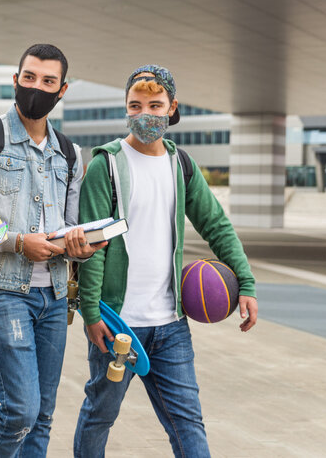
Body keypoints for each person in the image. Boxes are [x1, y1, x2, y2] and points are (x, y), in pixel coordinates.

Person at [73, 64, 258, 458]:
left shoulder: (181, 165)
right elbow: (93, 247)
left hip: (171, 327)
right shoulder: (106, 165)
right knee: (99, 416)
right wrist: (91, 313)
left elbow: (217, 226)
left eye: (155, 105)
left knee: (188, 424)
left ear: (172, 107)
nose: (145, 114)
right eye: (135, 105)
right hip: (118, 326)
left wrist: (247, 283)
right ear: (126, 108)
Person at [0, 43, 106, 457]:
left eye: (48, 81)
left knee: (43, 415)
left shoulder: (70, 153)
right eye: (29, 78)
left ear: (62, 90)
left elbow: (69, 230)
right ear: (15, 80)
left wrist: (80, 247)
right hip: (1, 292)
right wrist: (16, 242)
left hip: (52, 297)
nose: (37, 87)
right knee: (20, 410)